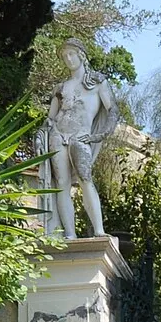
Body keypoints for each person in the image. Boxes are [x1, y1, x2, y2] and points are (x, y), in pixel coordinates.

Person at [46, 38, 119, 240]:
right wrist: (44, 129)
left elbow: (112, 111)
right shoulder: (60, 88)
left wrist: (99, 135)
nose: (68, 59)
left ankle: (99, 230)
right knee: (61, 182)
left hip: (81, 135)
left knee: (86, 179)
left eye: (71, 54)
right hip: (58, 134)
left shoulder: (96, 81)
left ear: (81, 56)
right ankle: (69, 234)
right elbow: (51, 118)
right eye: (65, 56)